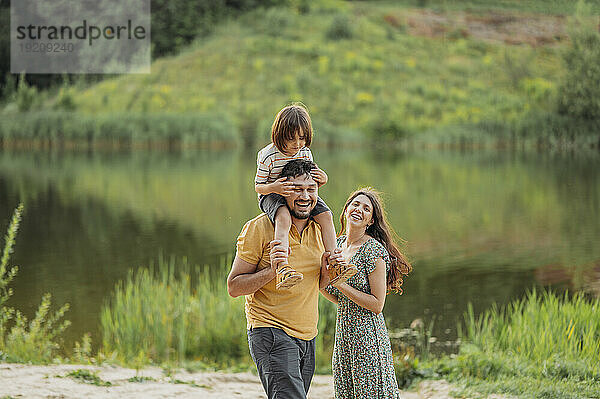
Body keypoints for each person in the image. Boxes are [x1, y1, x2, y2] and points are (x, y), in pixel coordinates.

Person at [227, 159, 343, 399]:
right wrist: (273, 269)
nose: (305, 196)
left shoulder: (321, 229)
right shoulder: (259, 228)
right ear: (282, 191)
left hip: (308, 335)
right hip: (271, 331)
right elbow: (234, 286)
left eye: (311, 189)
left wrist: (327, 273)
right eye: (297, 189)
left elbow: (319, 286)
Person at [321, 188, 412, 399]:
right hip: (344, 335)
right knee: (346, 392)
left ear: (370, 221)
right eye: (355, 204)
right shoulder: (338, 245)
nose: (359, 210)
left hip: (368, 338)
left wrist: (341, 284)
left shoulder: (373, 250)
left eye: (366, 208)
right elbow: (337, 297)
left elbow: (377, 304)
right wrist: (323, 280)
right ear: (345, 210)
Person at [254, 103, 356, 289]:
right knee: (283, 218)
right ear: (279, 135)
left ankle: (335, 262)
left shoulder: (305, 152)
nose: (297, 144)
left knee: (326, 215)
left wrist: (323, 178)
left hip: (299, 191)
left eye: (302, 138)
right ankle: (283, 267)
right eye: (291, 139)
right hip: (273, 193)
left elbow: (311, 179)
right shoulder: (268, 156)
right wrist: (274, 187)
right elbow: (258, 187)